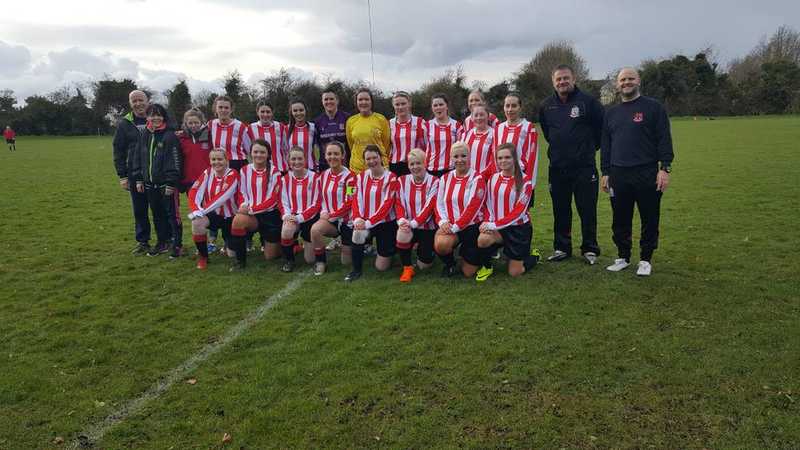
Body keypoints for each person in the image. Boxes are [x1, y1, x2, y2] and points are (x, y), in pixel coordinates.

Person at [601, 67, 674, 276]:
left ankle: (645, 259)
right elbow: (606, 145)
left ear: (638, 81)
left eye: (630, 79)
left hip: (647, 172)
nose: (626, 83)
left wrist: (665, 168)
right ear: (617, 84)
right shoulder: (611, 113)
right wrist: (606, 171)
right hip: (618, 173)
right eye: (622, 80)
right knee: (620, 218)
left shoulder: (653, 108)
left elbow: (664, 139)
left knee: (649, 217)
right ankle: (623, 256)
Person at [538, 64, 605, 265]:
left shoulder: (588, 102)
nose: (562, 82)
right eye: (558, 79)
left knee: (587, 209)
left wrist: (586, 150)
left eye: (565, 78)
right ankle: (562, 247)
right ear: (553, 82)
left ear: (573, 79)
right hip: (557, 168)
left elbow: (601, 131)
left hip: (584, 167)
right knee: (561, 210)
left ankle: (590, 248)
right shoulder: (546, 105)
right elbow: (548, 133)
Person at [475, 143, 540, 280]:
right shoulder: (493, 179)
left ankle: (533, 256)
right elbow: (488, 204)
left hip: (518, 229)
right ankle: (487, 267)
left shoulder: (525, 182)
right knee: (483, 239)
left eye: (507, 157)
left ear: (514, 159)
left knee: (515, 272)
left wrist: (492, 225)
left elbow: (518, 213)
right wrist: (487, 221)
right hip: (499, 228)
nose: (503, 161)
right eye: (500, 158)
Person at [130, 103, 183, 258]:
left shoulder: (170, 135)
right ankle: (162, 242)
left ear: (164, 117)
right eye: (152, 115)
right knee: (157, 214)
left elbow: (175, 160)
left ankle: (177, 244)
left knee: (172, 216)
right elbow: (138, 157)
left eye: (159, 115)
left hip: (166, 184)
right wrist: (139, 179)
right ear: (147, 117)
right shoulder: (144, 134)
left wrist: (171, 183)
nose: (155, 118)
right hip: (149, 183)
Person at [228, 139, 282, 271]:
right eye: (255, 152)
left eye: (262, 152)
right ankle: (240, 261)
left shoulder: (275, 172)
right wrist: (243, 205)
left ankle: (288, 244)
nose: (258, 155)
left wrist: (252, 209)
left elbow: (273, 199)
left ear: (268, 154)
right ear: (251, 153)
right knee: (238, 220)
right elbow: (241, 192)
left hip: (270, 216)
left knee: (271, 257)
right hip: (251, 216)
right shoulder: (245, 170)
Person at [346, 144, 399, 282]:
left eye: (374, 157)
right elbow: (355, 199)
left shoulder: (392, 178)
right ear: (364, 161)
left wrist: (368, 222)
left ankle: (390, 250)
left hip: (385, 223)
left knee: (382, 267)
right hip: (365, 222)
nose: (372, 161)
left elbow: (387, 204)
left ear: (380, 158)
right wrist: (358, 219)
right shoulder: (360, 177)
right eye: (368, 159)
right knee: (357, 234)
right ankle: (356, 270)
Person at [434, 141, 485, 278]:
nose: (460, 160)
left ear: (469, 157)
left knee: (468, 273)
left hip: (471, 227)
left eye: (463, 156)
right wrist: (443, 222)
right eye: (456, 156)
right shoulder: (445, 178)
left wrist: (455, 227)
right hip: (451, 225)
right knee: (441, 244)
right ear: (451, 158)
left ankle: (473, 253)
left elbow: (473, 208)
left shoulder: (477, 178)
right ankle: (450, 264)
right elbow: (438, 204)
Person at [112, 90, 152, 254]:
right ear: (130, 104)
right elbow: (118, 151)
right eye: (134, 101)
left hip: (156, 173)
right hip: (134, 174)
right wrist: (122, 176)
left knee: (162, 209)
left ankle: (167, 240)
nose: (138, 104)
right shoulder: (125, 123)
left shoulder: (157, 118)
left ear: (147, 101)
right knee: (140, 209)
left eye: (140, 100)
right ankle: (143, 242)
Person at [187, 149, 239, 270]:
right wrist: (195, 209)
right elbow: (194, 191)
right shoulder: (208, 172)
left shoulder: (233, 174)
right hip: (213, 215)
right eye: (213, 159)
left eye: (220, 159)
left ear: (226, 160)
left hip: (230, 217)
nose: (216, 162)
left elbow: (222, 197)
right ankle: (203, 257)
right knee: (197, 222)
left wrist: (202, 211)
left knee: (232, 254)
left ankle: (228, 245)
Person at [394, 148, 439, 282]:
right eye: (412, 164)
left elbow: (430, 207)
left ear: (425, 164)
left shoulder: (435, 181)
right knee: (401, 233)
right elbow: (399, 203)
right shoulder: (402, 180)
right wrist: (402, 220)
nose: (415, 167)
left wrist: (414, 223)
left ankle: (424, 251)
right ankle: (407, 268)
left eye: (418, 163)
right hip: (408, 225)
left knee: (424, 266)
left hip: (427, 227)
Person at [310, 141, 354, 275]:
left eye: (336, 154)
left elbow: (350, 202)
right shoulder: (323, 176)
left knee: (346, 262)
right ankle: (320, 262)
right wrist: (324, 212)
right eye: (329, 154)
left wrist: (332, 214)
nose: (332, 157)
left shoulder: (351, 177)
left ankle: (354, 242)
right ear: (325, 156)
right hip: (330, 220)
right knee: (315, 230)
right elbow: (320, 199)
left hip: (347, 221)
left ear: (343, 156)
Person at [279, 146, 321, 272]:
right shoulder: (284, 179)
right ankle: (289, 260)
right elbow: (282, 201)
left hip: (310, 218)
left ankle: (303, 243)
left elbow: (316, 203)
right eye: (293, 159)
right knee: (286, 230)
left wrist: (299, 218)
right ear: (289, 161)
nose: (296, 162)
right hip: (292, 216)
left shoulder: (315, 177)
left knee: (310, 260)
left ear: (305, 160)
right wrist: (287, 216)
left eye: (299, 159)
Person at [495, 93, 539, 181]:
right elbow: (495, 155)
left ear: (520, 108)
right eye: (507, 106)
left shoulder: (529, 127)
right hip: (503, 179)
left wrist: (529, 182)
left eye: (514, 106)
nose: (510, 109)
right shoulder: (498, 128)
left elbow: (532, 158)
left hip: (521, 178)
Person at [346, 88, 391, 173]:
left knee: (383, 187)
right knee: (350, 187)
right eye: (360, 100)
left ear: (371, 102)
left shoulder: (381, 119)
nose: (363, 102)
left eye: (366, 99)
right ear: (356, 102)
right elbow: (351, 144)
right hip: (356, 169)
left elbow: (386, 145)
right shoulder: (350, 121)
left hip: (379, 168)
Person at [425, 93, 463, 178]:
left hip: (451, 169)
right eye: (435, 105)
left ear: (447, 106)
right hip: (431, 170)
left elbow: (460, 148)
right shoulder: (426, 126)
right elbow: (423, 146)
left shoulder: (457, 125)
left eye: (441, 104)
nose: (438, 107)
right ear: (432, 108)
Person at [389, 91, 427, 176]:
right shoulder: (389, 124)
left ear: (409, 104)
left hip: (416, 165)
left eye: (403, 104)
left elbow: (427, 145)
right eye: (397, 104)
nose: (400, 107)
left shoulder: (420, 122)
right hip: (395, 166)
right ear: (393, 106)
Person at [208, 95, 251, 171]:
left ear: (231, 110)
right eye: (220, 107)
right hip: (218, 164)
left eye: (226, 108)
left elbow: (249, 149)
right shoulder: (211, 124)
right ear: (215, 109)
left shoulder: (240, 126)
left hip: (238, 164)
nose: (223, 110)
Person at [313, 91, 351, 171]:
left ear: (337, 101)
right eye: (326, 99)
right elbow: (316, 146)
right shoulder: (317, 121)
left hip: (345, 165)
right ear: (322, 102)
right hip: (325, 166)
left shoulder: (347, 118)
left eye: (331, 99)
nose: (329, 101)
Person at [248, 101, 289, 173]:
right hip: (260, 171)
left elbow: (286, 148)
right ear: (257, 112)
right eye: (262, 112)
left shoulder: (280, 127)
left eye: (268, 112)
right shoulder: (251, 128)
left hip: (280, 169)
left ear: (272, 112)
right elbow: (249, 150)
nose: (265, 114)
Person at [177, 109, 211, 195]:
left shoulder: (209, 135)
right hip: (189, 180)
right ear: (186, 124)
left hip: (207, 179)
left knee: (209, 207)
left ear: (201, 122)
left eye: (196, 122)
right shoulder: (181, 138)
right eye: (190, 123)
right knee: (194, 207)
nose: (193, 125)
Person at [461, 104, 496, 177]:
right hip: (467, 177)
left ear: (488, 116)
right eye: (476, 115)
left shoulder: (494, 134)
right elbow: (461, 156)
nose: (479, 118)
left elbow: (494, 160)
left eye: (482, 115)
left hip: (485, 178)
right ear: (472, 118)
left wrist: (481, 176)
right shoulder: (466, 135)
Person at [287, 99, 319, 171]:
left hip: (310, 169)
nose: (298, 113)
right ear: (291, 112)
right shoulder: (286, 129)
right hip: (293, 170)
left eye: (301, 110)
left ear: (305, 111)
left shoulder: (313, 127)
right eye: (295, 111)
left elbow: (319, 148)